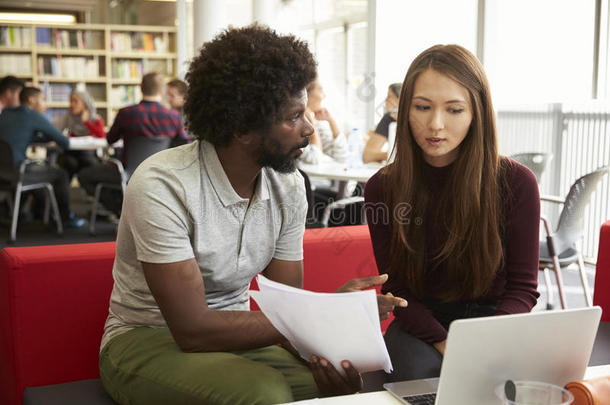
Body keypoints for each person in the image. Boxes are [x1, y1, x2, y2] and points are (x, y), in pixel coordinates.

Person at [98, 25, 406, 405]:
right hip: (145, 338)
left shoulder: (287, 185)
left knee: (339, 383)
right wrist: (326, 312)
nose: (309, 127)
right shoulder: (163, 184)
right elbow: (193, 330)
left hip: (240, 338)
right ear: (242, 128)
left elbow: (289, 304)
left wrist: (332, 331)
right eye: (294, 116)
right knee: (265, 392)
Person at [364, 44, 540, 383]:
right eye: (422, 107)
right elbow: (398, 289)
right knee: (422, 378)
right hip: (422, 324)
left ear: (477, 112)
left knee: (512, 384)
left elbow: (523, 289)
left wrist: (480, 344)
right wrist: (446, 342)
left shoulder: (516, 182)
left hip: (497, 322)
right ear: (405, 111)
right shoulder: (381, 188)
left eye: (455, 109)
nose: (436, 125)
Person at [77, 72, 187, 214]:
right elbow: (183, 143)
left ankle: (120, 209)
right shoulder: (173, 117)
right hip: (161, 171)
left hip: (128, 172)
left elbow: (110, 140)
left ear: (141, 88)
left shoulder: (126, 113)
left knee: (84, 175)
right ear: (162, 91)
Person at [0, 76, 85, 228]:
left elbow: (22, 135)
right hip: (18, 170)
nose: (45, 104)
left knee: (35, 170)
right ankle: (64, 218)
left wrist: (40, 136)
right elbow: (63, 141)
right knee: (61, 174)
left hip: (3, 172)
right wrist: (48, 136)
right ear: (32, 101)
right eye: (43, 99)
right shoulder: (31, 115)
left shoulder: (5, 114)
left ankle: (27, 214)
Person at [57, 90, 106, 179]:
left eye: (75, 101)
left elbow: (102, 136)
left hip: (88, 153)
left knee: (90, 162)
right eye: (71, 101)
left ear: (85, 103)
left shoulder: (95, 118)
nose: (72, 104)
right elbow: (56, 131)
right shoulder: (68, 116)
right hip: (71, 153)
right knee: (68, 163)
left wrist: (87, 122)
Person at [299, 78, 348, 165]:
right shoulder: (295, 123)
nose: (324, 95)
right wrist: (311, 123)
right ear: (306, 94)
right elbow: (315, 159)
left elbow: (341, 157)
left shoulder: (317, 122)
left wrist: (331, 121)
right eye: (320, 90)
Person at [362, 83, 402, 163]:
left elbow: (367, 156)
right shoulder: (390, 119)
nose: (386, 100)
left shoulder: (390, 117)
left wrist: (394, 155)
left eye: (389, 96)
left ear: (399, 99)